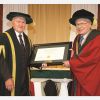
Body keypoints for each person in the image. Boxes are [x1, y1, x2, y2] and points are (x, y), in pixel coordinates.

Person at [63, 9, 100, 96]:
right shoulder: (77, 39)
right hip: (79, 77)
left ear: (90, 24)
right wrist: (70, 57)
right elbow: (78, 55)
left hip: (92, 78)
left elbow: (90, 58)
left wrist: (71, 63)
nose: (79, 26)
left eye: (82, 23)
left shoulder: (97, 38)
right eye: (77, 24)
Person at [0, 12, 33, 96]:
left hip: (24, 81)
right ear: (12, 22)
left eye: (23, 22)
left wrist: (40, 63)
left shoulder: (28, 40)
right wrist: (7, 77)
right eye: (18, 21)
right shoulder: (4, 37)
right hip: (10, 80)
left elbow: (30, 59)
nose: (21, 24)